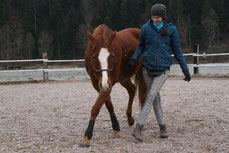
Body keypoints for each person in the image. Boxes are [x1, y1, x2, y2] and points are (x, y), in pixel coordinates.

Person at [126, 3, 191, 141]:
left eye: (158, 17)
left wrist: (185, 69)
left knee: (150, 96)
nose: (155, 20)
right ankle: (163, 128)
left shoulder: (171, 30)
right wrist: (134, 58)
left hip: (163, 70)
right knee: (155, 98)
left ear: (163, 17)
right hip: (147, 69)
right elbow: (141, 46)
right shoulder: (146, 29)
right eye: (153, 17)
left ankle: (138, 128)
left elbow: (178, 52)